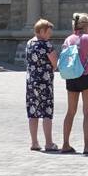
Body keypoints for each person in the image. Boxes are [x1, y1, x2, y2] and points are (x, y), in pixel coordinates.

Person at [60, 13, 88, 154]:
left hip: (71, 76)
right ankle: (86, 146)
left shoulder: (68, 39)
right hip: (87, 76)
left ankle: (65, 144)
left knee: (70, 111)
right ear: (86, 25)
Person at [25, 18, 58, 151]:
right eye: (48, 32)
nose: (50, 35)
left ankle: (34, 142)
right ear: (42, 31)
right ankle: (49, 143)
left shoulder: (29, 43)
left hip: (31, 82)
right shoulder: (47, 45)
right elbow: (55, 62)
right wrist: (51, 68)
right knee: (46, 112)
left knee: (33, 112)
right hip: (45, 82)